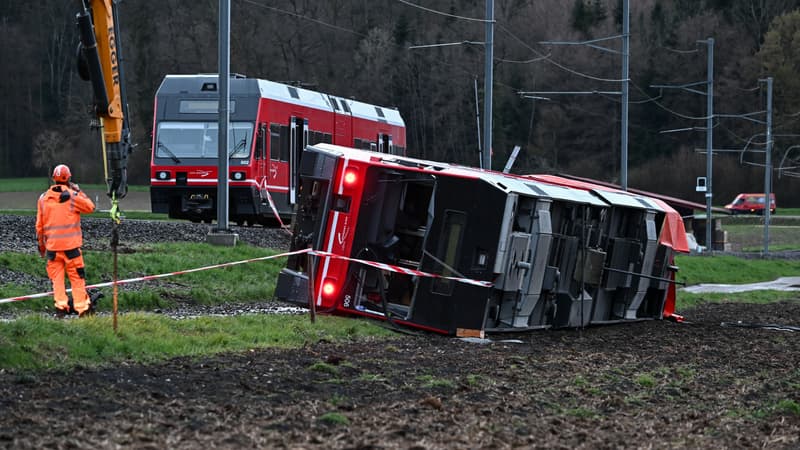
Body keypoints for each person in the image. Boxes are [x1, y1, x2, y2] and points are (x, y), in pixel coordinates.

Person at [35, 164, 98, 318]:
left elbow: (39, 227)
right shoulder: (72, 196)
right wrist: (78, 190)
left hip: (52, 249)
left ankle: (61, 308)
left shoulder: (43, 199)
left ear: (53, 179)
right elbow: (90, 207)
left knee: (57, 280)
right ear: (69, 178)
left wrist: (42, 247)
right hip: (71, 249)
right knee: (77, 278)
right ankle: (82, 309)